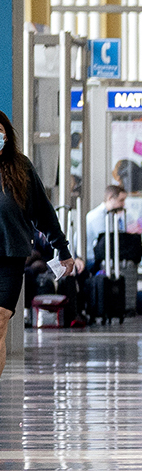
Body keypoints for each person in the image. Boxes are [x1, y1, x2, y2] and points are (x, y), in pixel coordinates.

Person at [0, 110, 77, 380]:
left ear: (7, 135)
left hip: (10, 256)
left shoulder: (20, 167)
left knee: (0, 321)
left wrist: (62, 249)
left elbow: (43, 213)